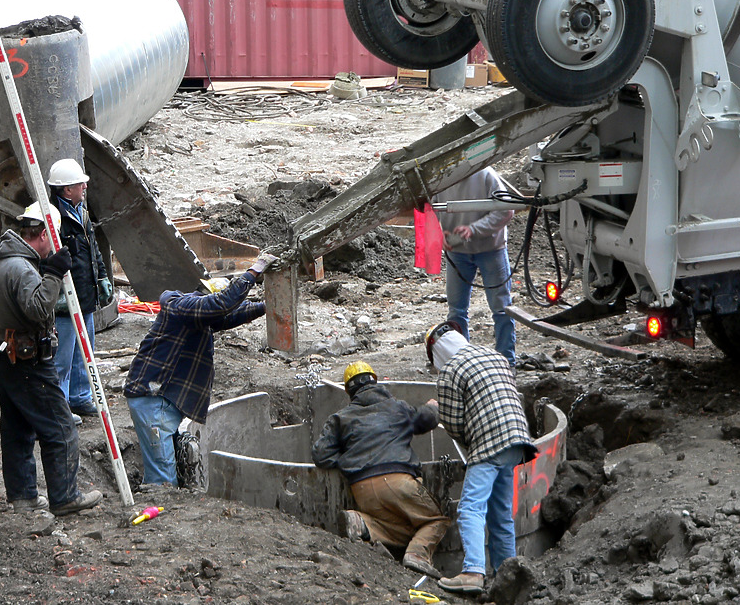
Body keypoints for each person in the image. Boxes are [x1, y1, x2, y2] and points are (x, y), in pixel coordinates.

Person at [0, 202, 103, 516]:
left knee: (18, 428)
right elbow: (37, 309)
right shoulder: (21, 268)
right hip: (26, 360)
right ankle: (64, 497)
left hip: (3, 355)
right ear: (45, 234)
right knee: (60, 428)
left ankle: (23, 497)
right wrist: (53, 275)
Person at [123, 253, 277, 485]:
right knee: (163, 478)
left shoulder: (197, 316)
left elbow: (227, 315)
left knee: (165, 467)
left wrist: (265, 307)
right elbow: (222, 304)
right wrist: (254, 271)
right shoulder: (182, 306)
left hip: (160, 399)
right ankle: (160, 513)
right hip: (152, 399)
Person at [424, 321, 537, 596]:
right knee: (500, 514)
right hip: (518, 439)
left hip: (489, 442)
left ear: (437, 353)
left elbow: (453, 424)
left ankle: (473, 571)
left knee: (471, 508)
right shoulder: (494, 355)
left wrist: (440, 412)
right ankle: (507, 577)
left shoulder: (450, 369)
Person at [311, 361, 451, 579]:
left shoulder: (340, 418)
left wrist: (350, 460)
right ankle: (418, 556)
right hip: (399, 482)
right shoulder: (398, 407)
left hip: (362, 490)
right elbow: (426, 419)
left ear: (349, 390)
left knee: (408, 530)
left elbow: (321, 455)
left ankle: (363, 524)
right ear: (375, 381)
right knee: (436, 520)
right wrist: (433, 407)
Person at [47, 158, 113, 420]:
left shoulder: (80, 212)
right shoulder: (53, 218)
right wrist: (58, 297)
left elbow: (93, 250)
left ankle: (80, 397)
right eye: (79, 184)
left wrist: (103, 277)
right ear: (66, 190)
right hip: (65, 302)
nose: (85, 187)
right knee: (62, 358)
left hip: (84, 296)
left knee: (84, 352)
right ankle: (60, 407)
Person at [432, 166, 516, 367]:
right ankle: (463, 363)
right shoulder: (440, 178)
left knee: (502, 308)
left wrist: (473, 230)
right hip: (457, 251)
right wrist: (438, 233)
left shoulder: (485, 175)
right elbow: (430, 209)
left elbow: (506, 210)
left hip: (491, 249)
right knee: (456, 310)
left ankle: (507, 363)